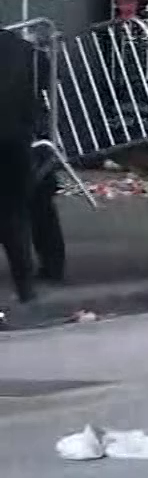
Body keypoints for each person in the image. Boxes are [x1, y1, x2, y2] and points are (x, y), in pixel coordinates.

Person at [0, 28, 62, 302]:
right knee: (19, 211)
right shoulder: (24, 49)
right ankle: (28, 283)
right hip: (19, 138)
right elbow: (45, 84)